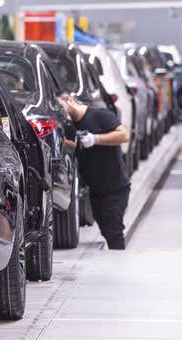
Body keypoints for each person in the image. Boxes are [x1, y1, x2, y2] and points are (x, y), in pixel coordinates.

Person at [56, 90, 131, 250]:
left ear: (70, 100)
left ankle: (118, 267)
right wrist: (63, 143)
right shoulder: (72, 125)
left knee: (114, 231)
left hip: (115, 187)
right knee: (106, 230)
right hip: (96, 189)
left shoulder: (99, 115)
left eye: (60, 106)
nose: (60, 111)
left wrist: (95, 139)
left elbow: (123, 135)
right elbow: (80, 145)